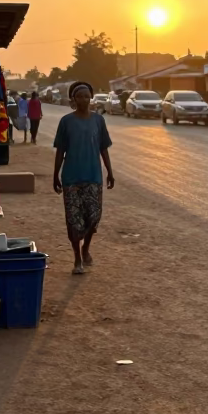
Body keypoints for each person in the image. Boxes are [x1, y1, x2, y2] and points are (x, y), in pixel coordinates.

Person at [53, 81, 115, 275]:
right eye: (80, 96)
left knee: (93, 218)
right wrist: (55, 174)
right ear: (74, 99)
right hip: (71, 177)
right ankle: (77, 259)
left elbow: (103, 148)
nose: (84, 99)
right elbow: (60, 150)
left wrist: (110, 171)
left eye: (87, 96)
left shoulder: (98, 121)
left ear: (91, 98)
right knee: (74, 220)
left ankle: (86, 247)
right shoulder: (66, 121)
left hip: (93, 176)